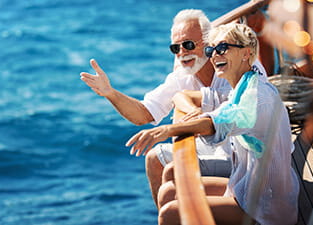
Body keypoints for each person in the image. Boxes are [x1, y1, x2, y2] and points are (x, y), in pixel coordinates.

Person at [80, 9, 267, 207]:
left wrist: (171, 128)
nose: (181, 54)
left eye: (187, 45)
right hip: (216, 149)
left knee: (172, 179)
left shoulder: (237, 68)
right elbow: (144, 113)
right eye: (175, 49)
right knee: (155, 159)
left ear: (209, 43)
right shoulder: (182, 77)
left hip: (247, 156)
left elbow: (225, 119)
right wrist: (110, 93)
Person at [126, 23, 299, 225]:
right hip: (246, 186)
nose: (215, 55)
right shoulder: (242, 86)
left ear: (246, 53)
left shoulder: (258, 97)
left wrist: (167, 129)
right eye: (211, 50)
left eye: (223, 48)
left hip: (267, 205)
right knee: (168, 192)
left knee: (170, 213)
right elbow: (204, 106)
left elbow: (217, 123)